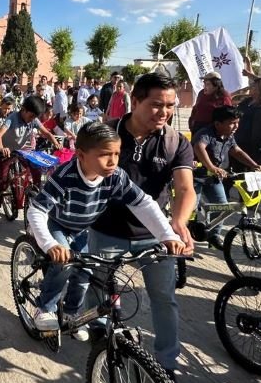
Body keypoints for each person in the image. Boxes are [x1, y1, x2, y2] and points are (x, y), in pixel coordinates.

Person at [27, 123, 183, 340]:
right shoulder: (65, 175)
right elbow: (37, 209)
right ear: (81, 155)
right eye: (104, 155)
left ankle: (72, 314)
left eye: (117, 154)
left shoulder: (116, 176)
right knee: (63, 264)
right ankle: (45, 307)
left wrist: (167, 235)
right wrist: (50, 244)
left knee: (85, 272)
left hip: (83, 228)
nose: (112, 161)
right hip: (58, 225)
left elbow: (143, 204)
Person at [88, 73, 196, 377]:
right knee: (100, 289)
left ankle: (167, 365)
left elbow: (186, 189)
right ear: (134, 101)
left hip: (155, 234)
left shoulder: (176, 142)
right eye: (156, 104)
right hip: (106, 229)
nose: (164, 112)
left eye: (170, 105)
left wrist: (178, 221)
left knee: (164, 298)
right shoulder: (104, 133)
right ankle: (101, 335)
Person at [191, 106, 261, 245]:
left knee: (222, 207)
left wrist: (254, 165)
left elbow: (236, 151)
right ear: (218, 124)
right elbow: (199, 147)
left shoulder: (229, 136)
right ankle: (184, 235)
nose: (236, 126)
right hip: (195, 177)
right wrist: (212, 167)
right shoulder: (205, 133)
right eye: (232, 123)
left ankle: (214, 235)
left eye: (237, 122)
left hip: (214, 179)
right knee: (190, 209)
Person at [0, 96, 62, 227]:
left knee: (36, 167)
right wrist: (0, 148)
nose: (32, 119)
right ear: (23, 110)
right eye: (31, 116)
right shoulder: (12, 118)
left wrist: (56, 142)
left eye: (35, 117)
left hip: (22, 150)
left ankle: (34, 193)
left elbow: (46, 133)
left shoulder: (34, 119)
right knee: (3, 182)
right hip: (6, 151)